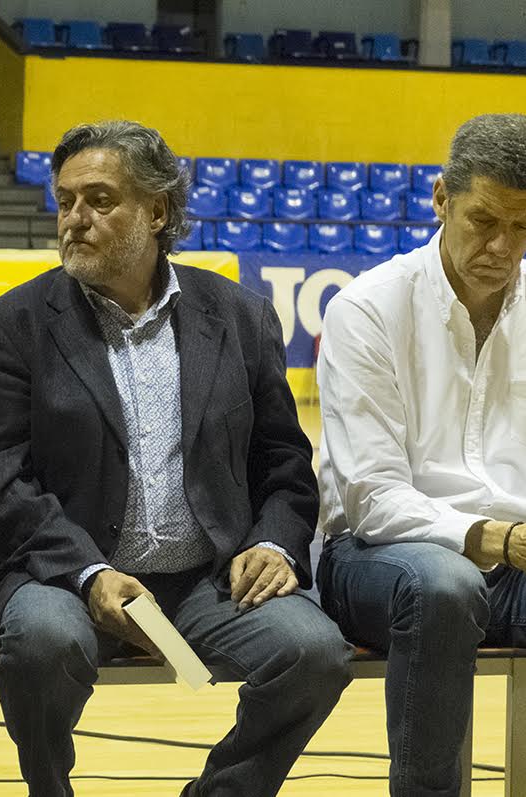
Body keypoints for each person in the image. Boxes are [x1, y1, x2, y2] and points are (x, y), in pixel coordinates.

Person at [0, 120, 353, 797]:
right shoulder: (12, 324)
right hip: (62, 576)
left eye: (99, 200)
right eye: (64, 201)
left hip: (205, 578)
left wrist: (274, 543)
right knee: (44, 643)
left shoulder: (239, 316)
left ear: (158, 209)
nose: (75, 220)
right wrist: (88, 572)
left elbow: (283, 460)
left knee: (313, 653)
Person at [317, 113, 526, 795]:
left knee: (459, 582)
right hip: (377, 559)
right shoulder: (367, 309)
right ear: (440, 198)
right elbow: (372, 499)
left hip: (513, 559)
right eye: (483, 220)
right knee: (444, 584)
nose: (500, 246)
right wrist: (493, 537)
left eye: (522, 228)